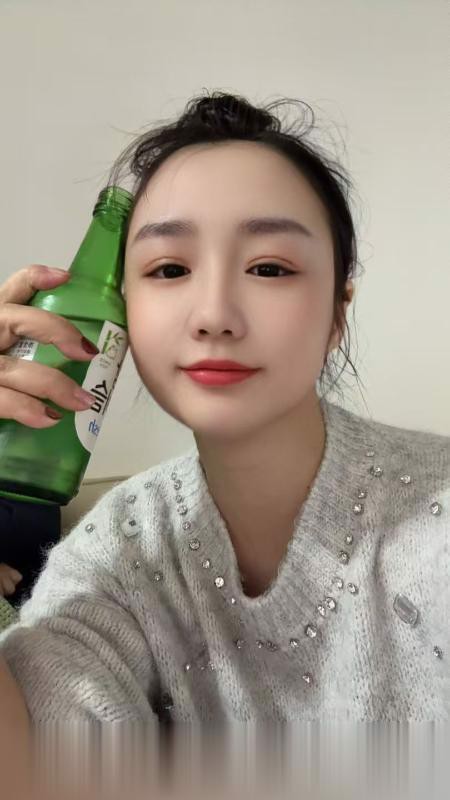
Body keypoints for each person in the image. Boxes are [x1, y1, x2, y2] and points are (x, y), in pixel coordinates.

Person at [0, 91, 448, 723]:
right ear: (122, 310)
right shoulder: (118, 549)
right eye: (168, 269)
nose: (214, 315)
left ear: (336, 314)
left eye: (268, 268)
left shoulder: (435, 518)